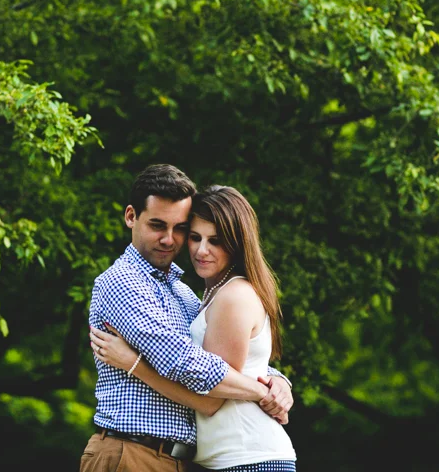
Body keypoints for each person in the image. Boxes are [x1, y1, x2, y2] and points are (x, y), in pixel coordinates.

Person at [81, 165, 294, 472]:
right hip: (130, 452)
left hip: (175, 459)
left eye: (179, 228)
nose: (169, 239)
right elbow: (183, 361)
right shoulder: (122, 282)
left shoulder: (182, 293)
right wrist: (261, 391)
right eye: (157, 225)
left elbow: (218, 355)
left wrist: (276, 380)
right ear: (131, 217)